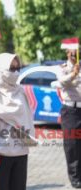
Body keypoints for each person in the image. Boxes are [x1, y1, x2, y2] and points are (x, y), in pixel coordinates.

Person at [0, 53, 35, 190]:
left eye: (18, 68)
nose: (16, 73)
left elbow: (28, 119)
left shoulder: (20, 91)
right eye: (11, 69)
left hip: (21, 151)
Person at [56, 48, 81, 188]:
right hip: (70, 111)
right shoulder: (62, 68)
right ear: (67, 54)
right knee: (72, 145)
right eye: (72, 53)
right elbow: (63, 82)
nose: (74, 55)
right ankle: (75, 178)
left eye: (77, 53)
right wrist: (74, 73)